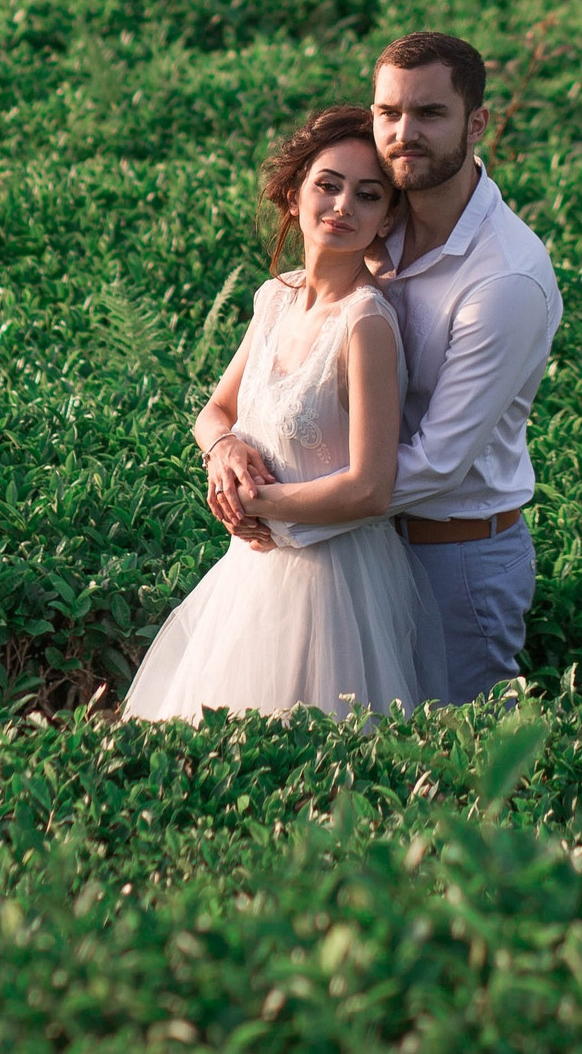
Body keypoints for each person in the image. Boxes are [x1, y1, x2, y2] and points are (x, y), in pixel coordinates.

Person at [121, 106, 447, 725]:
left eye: (368, 195)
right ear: (294, 196)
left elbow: (371, 488)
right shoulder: (276, 298)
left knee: (323, 762)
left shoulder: (366, 323)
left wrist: (252, 505)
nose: (343, 205)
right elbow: (215, 411)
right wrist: (223, 453)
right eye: (328, 184)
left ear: (386, 219)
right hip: (252, 574)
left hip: (335, 583)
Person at [369, 31, 563, 704]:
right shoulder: (369, 223)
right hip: (366, 546)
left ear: (477, 123)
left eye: (429, 114)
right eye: (388, 113)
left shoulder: (505, 275)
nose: (403, 133)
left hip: (456, 561)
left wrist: (294, 506)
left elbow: (440, 462)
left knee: (466, 778)